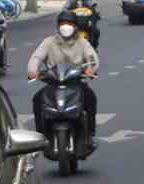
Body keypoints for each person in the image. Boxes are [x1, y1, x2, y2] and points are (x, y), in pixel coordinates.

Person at [27, 8, 100, 140]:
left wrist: (91, 69)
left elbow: (91, 57)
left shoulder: (82, 42)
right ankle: (41, 135)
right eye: (62, 24)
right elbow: (36, 57)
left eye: (70, 24)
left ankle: (90, 133)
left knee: (90, 98)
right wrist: (33, 71)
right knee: (37, 100)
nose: (66, 27)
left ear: (75, 26)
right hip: (53, 84)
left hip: (75, 84)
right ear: (58, 26)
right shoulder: (49, 42)